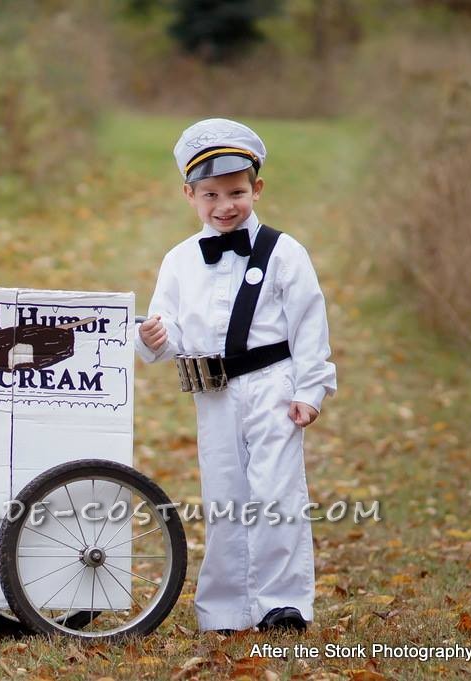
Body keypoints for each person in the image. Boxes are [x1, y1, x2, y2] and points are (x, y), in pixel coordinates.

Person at [135, 119, 337, 635]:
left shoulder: (285, 252)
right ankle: (225, 608)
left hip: (274, 383)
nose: (225, 205)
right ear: (189, 194)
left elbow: (309, 323)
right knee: (224, 493)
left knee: (276, 492)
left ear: (257, 189)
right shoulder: (179, 261)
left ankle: (281, 604)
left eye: (237, 192)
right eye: (211, 195)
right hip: (214, 393)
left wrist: (310, 390)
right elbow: (169, 328)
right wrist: (154, 340)